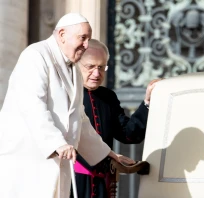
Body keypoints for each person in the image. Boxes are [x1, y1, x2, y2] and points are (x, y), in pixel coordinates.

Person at [0, 13, 134, 198]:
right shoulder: (35, 56)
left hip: (58, 163)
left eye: (88, 38)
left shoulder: (74, 69)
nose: (86, 45)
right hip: (30, 161)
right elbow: (32, 105)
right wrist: (57, 142)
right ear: (62, 34)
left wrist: (106, 152)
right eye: (83, 38)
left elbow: (80, 119)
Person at [70, 39, 161, 198]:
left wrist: (147, 102)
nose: (97, 74)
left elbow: (129, 134)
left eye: (101, 67)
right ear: (77, 64)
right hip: (72, 182)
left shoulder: (108, 96)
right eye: (90, 67)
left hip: (102, 184)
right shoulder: (66, 94)